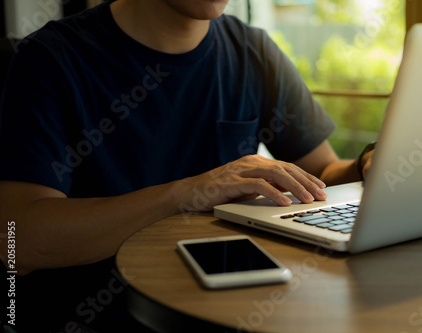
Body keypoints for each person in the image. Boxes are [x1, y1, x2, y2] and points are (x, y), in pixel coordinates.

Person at [0, 0, 375, 331]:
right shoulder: (49, 60)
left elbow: (323, 172)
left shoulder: (253, 51)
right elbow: (19, 241)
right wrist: (189, 192)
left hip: (231, 309)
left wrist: (368, 163)